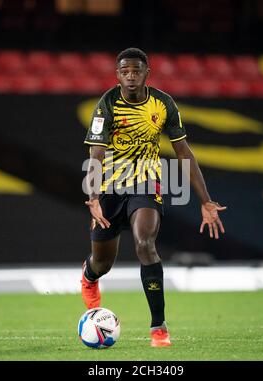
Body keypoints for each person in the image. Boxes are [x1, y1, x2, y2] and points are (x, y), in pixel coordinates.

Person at [81, 47, 226, 347]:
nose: (131, 76)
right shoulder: (107, 104)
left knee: (145, 244)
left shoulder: (163, 104)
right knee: (102, 263)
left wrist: (205, 200)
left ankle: (158, 327)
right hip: (109, 189)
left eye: (136, 70)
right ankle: (89, 276)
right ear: (117, 75)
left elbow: (183, 152)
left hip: (146, 185)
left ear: (148, 73)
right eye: (125, 71)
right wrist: (93, 196)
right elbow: (96, 154)